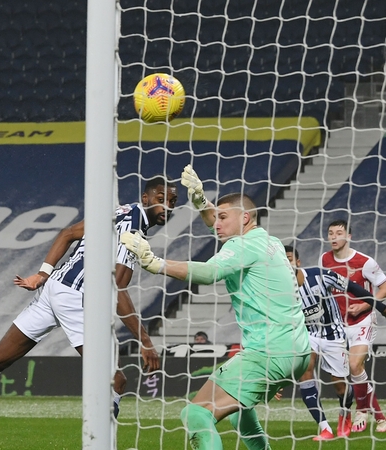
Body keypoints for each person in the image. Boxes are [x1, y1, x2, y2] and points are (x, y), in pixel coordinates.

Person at [0, 175, 179, 428]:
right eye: (162, 198)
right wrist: (145, 340)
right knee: (115, 381)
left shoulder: (118, 211)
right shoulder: (132, 231)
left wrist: (42, 274)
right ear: (146, 196)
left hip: (54, 289)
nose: (168, 205)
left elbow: (68, 233)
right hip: (74, 296)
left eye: (174, 201)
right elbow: (116, 287)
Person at [119, 165, 310, 449]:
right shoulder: (269, 242)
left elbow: (208, 273)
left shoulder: (241, 246)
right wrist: (201, 203)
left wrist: (154, 263)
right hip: (298, 350)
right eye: (215, 217)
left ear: (244, 219)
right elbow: (221, 219)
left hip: (269, 352)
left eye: (223, 218)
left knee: (196, 413)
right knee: (239, 414)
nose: (216, 224)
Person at [284, 245, 386, 439]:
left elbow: (352, 287)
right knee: (306, 369)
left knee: (340, 386)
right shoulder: (280, 291)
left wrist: (380, 307)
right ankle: (325, 428)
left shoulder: (319, 275)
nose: (285, 263)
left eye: (288, 258)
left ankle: (345, 414)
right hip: (309, 334)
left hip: (334, 334)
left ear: (298, 262)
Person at [320, 219, 386, 433]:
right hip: (338, 323)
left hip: (362, 319)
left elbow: (383, 287)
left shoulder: (364, 261)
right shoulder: (324, 259)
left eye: (338, 233)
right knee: (351, 371)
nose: (333, 237)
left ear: (348, 236)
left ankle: (363, 411)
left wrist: (364, 305)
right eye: (330, 233)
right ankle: (378, 415)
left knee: (355, 366)